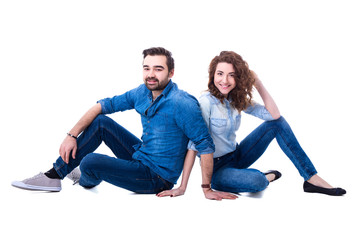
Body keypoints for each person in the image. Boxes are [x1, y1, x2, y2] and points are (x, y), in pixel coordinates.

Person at [11, 47, 236, 200]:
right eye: (147, 68)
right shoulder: (142, 92)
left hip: (157, 177)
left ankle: (84, 177)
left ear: (171, 72)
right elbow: (101, 105)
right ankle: (55, 175)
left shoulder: (182, 103)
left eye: (158, 69)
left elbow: (204, 144)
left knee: (89, 162)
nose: (151, 74)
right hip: (140, 155)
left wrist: (205, 188)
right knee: (100, 122)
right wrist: (71, 135)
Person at [157, 51, 346, 197]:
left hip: (238, 155)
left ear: (238, 78)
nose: (225, 80)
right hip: (217, 169)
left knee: (277, 124)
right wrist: (183, 187)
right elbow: (193, 146)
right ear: (213, 75)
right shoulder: (205, 102)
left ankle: (311, 177)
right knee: (257, 182)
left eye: (232, 75)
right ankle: (266, 176)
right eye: (220, 74)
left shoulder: (235, 99)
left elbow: (274, 115)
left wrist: (257, 82)